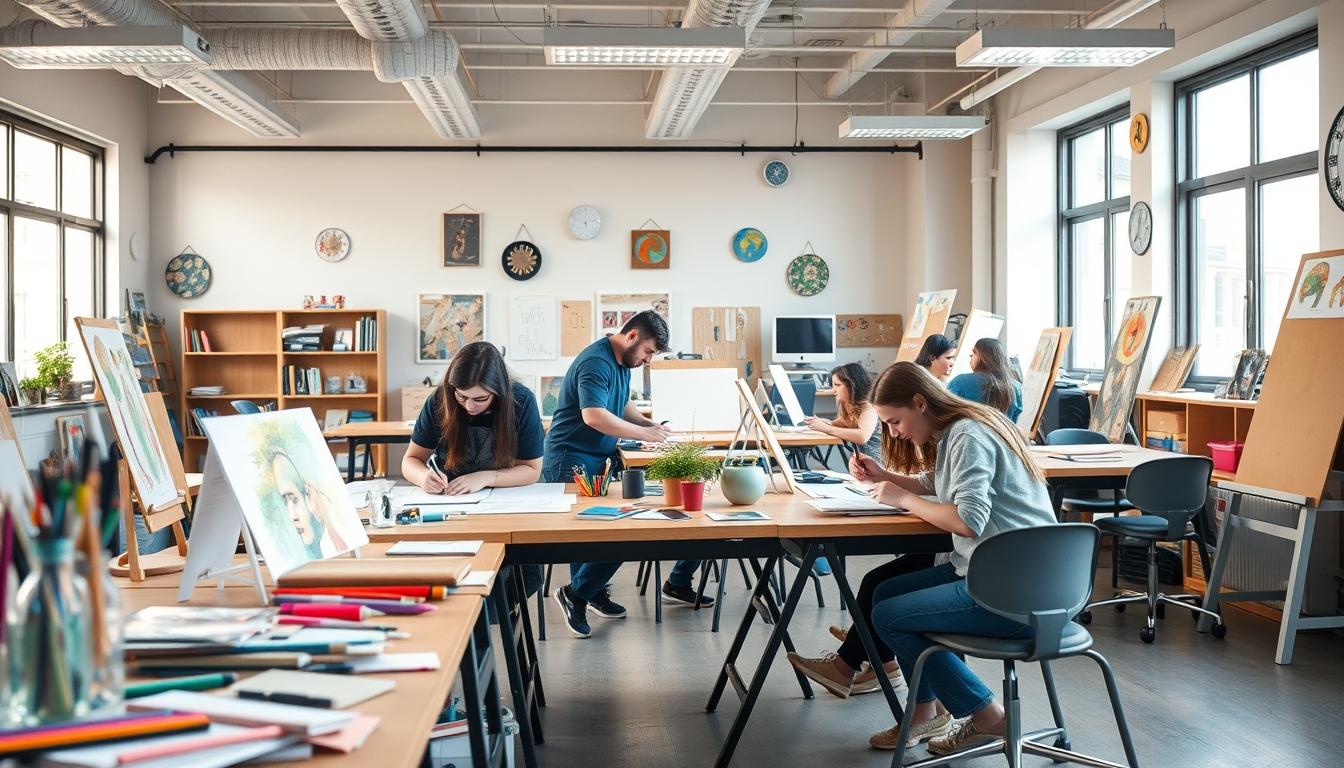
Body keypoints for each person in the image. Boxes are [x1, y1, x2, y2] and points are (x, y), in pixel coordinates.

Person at [858, 362, 1058, 753]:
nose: (893, 432)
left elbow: (968, 521)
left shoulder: (967, 434)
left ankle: (989, 716)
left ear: (920, 402)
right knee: (885, 593)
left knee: (888, 616)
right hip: (1022, 578)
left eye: (895, 421)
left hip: (1014, 593)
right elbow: (940, 483)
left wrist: (903, 499)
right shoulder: (961, 428)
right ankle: (925, 712)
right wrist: (887, 477)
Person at [544, 311, 710, 638]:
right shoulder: (596, 362)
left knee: (614, 531)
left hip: (597, 456)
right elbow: (594, 415)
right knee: (590, 537)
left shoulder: (623, 361)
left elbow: (620, 404)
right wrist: (643, 434)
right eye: (648, 351)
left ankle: (586, 592)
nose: (648, 360)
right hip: (570, 457)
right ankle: (578, 595)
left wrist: (648, 423)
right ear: (632, 336)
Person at [402, 341, 545, 595]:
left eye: (480, 399)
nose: (469, 406)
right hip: (453, 506)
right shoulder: (440, 399)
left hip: (507, 501)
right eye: (462, 396)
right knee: (449, 570)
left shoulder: (521, 401)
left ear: (499, 391)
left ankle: (497, 611)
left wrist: (486, 477)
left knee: (520, 576)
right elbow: (410, 460)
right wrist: (423, 477)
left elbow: (532, 469)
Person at [803, 363, 882, 461]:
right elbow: (839, 423)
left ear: (852, 385)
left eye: (837, 385)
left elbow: (862, 436)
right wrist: (820, 423)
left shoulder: (869, 408)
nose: (833, 390)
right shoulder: (850, 406)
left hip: (879, 467)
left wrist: (826, 428)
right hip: (866, 465)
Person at [947, 338, 1023, 421]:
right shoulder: (1016, 387)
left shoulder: (961, 382)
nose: (970, 355)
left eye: (974, 352)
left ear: (985, 357)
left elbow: (944, 411)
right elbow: (1013, 421)